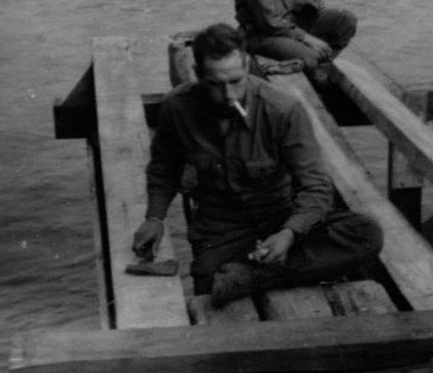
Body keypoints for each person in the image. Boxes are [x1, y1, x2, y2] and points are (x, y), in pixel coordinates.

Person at [131, 23, 383, 324]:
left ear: (247, 65)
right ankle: (259, 272)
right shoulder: (177, 107)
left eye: (236, 81)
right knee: (207, 293)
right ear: (197, 73)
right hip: (221, 227)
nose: (228, 95)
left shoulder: (283, 109)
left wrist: (289, 233)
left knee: (366, 234)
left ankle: (249, 277)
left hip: (280, 215)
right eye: (216, 84)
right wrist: (155, 218)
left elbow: (315, 186)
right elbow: (164, 167)